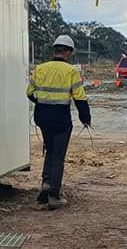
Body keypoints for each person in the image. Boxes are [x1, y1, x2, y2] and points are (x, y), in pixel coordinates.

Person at [27, 35, 92, 209]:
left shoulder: (40, 69)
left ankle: (46, 183)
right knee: (58, 156)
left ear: (55, 50)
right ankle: (53, 195)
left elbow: (29, 93)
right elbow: (80, 98)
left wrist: (43, 103)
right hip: (61, 118)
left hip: (42, 116)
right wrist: (85, 118)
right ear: (68, 52)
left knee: (49, 150)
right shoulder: (71, 71)